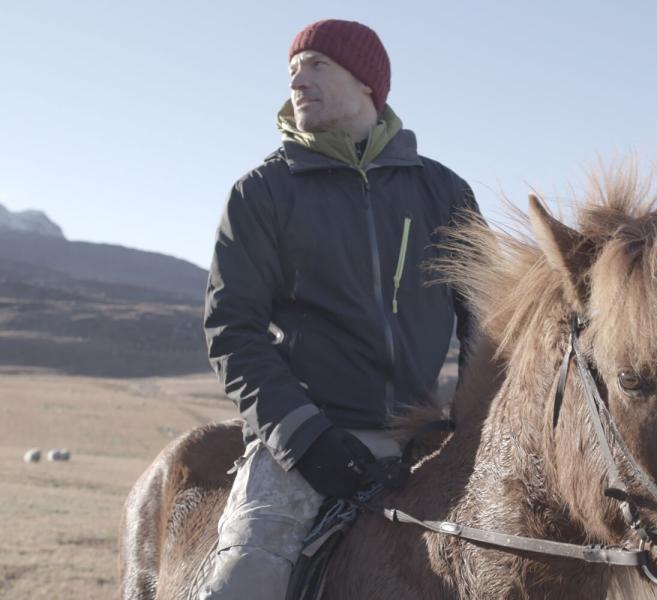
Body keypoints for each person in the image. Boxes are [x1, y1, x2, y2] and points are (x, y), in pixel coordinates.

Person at [199, 19, 477, 598]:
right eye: (293, 70)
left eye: (316, 64)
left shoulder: (445, 194)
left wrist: (468, 427)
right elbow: (232, 332)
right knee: (243, 583)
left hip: (424, 443)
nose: (297, 79)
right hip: (303, 446)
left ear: (368, 84)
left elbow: (488, 324)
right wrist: (306, 439)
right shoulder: (261, 193)